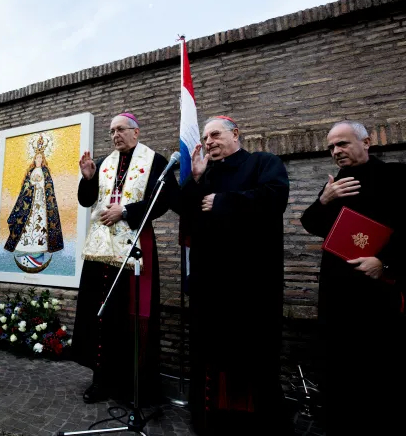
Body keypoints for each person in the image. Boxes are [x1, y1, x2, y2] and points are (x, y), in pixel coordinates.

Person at [172, 116, 290, 435]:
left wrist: (223, 201)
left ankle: (250, 425)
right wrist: (195, 180)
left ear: (235, 134)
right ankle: (209, 418)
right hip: (209, 284)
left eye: (215, 135)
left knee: (249, 356)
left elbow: (275, 197)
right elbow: (184, 212)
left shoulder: (263, 162)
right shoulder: (205, 174)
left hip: (251, 285)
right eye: (206, 137)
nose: (208, 141)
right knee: (210, 353)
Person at [300, 120, 406, 435]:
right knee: (339, 365)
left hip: (378, 291)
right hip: (337, 290)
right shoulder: (337, 183)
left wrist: (385, 263)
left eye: (342, 143)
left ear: (367, 142)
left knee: (378, 367)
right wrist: (325, 200)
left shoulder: (396, 176)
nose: (336, 151)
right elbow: (311, 223)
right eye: (331, 146)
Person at [73, 112, 176, 405]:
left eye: (120, 130)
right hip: (101, 251)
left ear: (136, 132)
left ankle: (131, 384)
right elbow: (86, 200)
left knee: (128, 316)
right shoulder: (104, 162)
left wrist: (127, 211)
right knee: (100, 315)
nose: (115, 135)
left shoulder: (154, 161)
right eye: (111, 131)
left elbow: (164, 200)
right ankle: (100, 379)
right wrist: (89, 178)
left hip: (134, 249)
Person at [4, 135, 63, 270]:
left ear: (43, 160)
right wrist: (32, 183)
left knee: (40, 222)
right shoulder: (30, 171)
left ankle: (41, 246)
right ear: (34, 159)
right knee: (28, 222)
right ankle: (25, 244)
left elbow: (49, 186)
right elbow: (25, 186)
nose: (38, 160)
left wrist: (40, 183)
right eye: (37, 158)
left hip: (41, 201)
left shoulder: (45, 171)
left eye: (40, 158)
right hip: (29, 201)